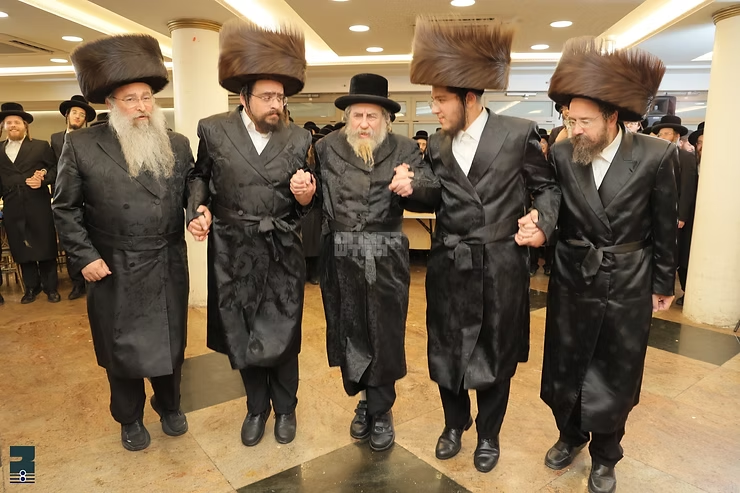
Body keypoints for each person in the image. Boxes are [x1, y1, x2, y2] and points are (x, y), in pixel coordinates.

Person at [409, 17, 561, 473]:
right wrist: (410, 186)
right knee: (447, 346)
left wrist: (542, 222)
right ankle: (454, 423)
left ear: (469, 99)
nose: (434, 109)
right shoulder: (438, 145)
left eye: (440, 100)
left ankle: (489, 434)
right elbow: (434, 193)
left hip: (499, 262)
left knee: (495, 349)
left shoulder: (517, 133)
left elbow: (547, 188)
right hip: (449, 261)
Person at [540, 37, 677, 493]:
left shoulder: (656, 155)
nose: (575, 129)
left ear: (612, 117)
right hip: (573, 273)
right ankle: (570, 434)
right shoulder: (563, 154)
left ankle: (605, 454)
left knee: (617, 368)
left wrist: (663, 283)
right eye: (570, 120)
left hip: (628, 277)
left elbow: (665, 227)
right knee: (566, 360)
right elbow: (553, 208)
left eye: (585, 121)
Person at [53, 33, 194, 451]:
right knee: (121, 349)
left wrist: (200, 210)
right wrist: (84, 256)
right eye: (131, 99)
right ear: (111, 104)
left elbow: (194, 187)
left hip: (166, 260)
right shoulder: (81, 145)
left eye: (147, 97)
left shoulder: (177, 143)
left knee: (171, 342)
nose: (142, 106)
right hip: (112, 264)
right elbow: (65, 207)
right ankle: (129, 417)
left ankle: (169, 405)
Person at [186, 19, 315, 448]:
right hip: (233, 247)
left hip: (281, 247)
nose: (276, 104)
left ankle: (286, 409)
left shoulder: (298, 137)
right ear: (244, 98)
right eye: (267, 97)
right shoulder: (213, 129)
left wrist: (306, 194)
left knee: (284, 333)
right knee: (242, 332)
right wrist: (197, 208)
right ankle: (256, 408)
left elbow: (307, 192)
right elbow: (199, 176)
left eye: (280, 97)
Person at [314, 72, 438, 452]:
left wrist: (413, 185)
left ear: (386, 119)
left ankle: (381, 409)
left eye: (372, 116)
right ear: (347, 117)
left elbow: (433, 190)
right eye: (358, 115)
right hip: (340, 254)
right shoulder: (325, 148)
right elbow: (312, 198)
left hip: (386, 254)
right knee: (350, 329)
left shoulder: (405, 149)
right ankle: (364, 400)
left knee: (384, 333)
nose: (364, 123)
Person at [0, 102, 60, 304]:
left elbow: (55, 169)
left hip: (38, 203)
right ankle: (31, 288)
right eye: (9, 122)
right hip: (12, 205)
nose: (13, 125)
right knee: (21, 248)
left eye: (17, 122)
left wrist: (43, 179)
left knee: (45, 245)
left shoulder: (41, 146)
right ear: (3, 126)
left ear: (25, 125)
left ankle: (51, 288)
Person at [50, 94, 96, 300]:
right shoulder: (55, 139)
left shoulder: (91, 138)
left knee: (90, 237)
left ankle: (91, 280)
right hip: (66, 197)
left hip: (89, 196)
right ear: (67, 115)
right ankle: (76, 283)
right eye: (75, 113)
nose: (78, 116)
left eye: (82, 114)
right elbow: (54, 168)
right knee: (71, 237)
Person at [652, 115, 698, 306]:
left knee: (673, 254)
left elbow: (687, 189)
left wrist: (682, 215)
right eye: (661, 134)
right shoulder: (655, 156)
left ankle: (666, 289)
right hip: (656, 214)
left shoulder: (686, 158)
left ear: (676, 136)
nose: (663, 137)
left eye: (667, 133)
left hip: (675, 215)